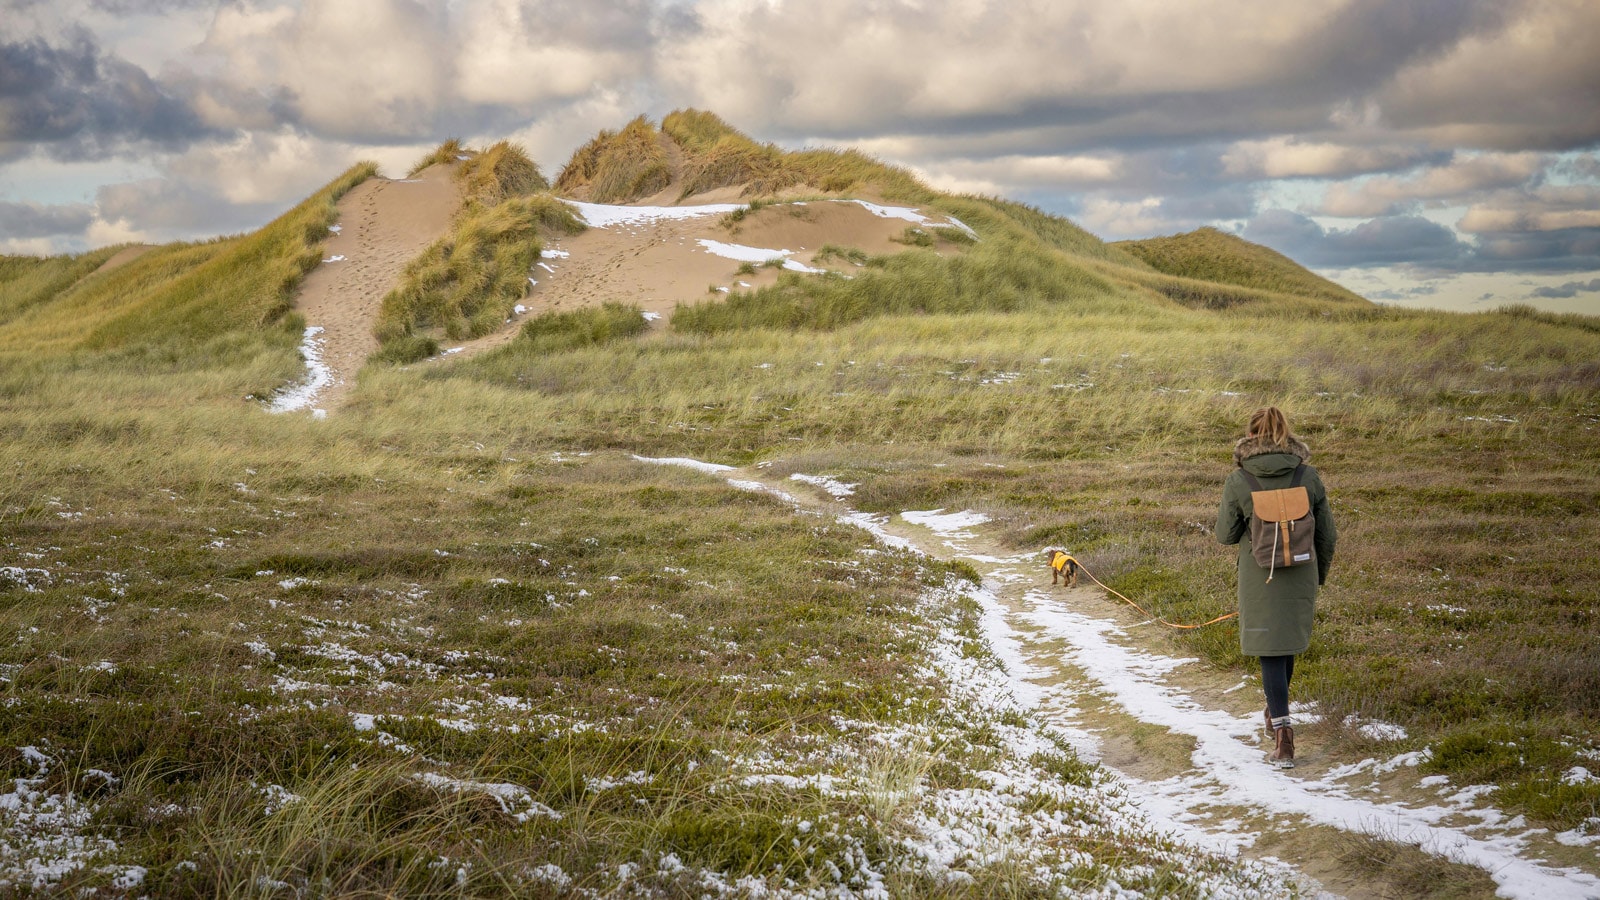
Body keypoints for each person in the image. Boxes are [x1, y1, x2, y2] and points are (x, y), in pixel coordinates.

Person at [1216, 406, 1337, 768]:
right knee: (1285, 644)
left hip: (1260, 576)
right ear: (1286, 433)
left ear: (1251, 436)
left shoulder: (1239, 480)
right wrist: (1317, 576)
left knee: (1270, 649)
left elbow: (1225, 535)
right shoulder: (1307, 476)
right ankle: (1275, 711)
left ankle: (1283, 735)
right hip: (1301, 572)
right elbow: (1327, 535)